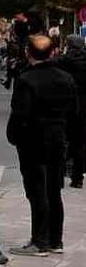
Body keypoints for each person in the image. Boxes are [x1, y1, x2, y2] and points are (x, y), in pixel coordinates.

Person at [7, 35, 78, 257]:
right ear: (52, 53)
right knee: (54, 190)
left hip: (33, 143)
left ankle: (40, 241)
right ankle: (56, 240)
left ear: (29, 53)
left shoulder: (26, 79)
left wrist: (14, 137)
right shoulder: (66, 78)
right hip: (58, 141)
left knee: (37, 193)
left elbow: (20, 115)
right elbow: (75, 113)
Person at [56, 35, 86, 188]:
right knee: (79, 143)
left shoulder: (63, 62)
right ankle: (78, 177)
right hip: (83, 110)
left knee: (61, 142)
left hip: (65, 107)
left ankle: (59, 175)